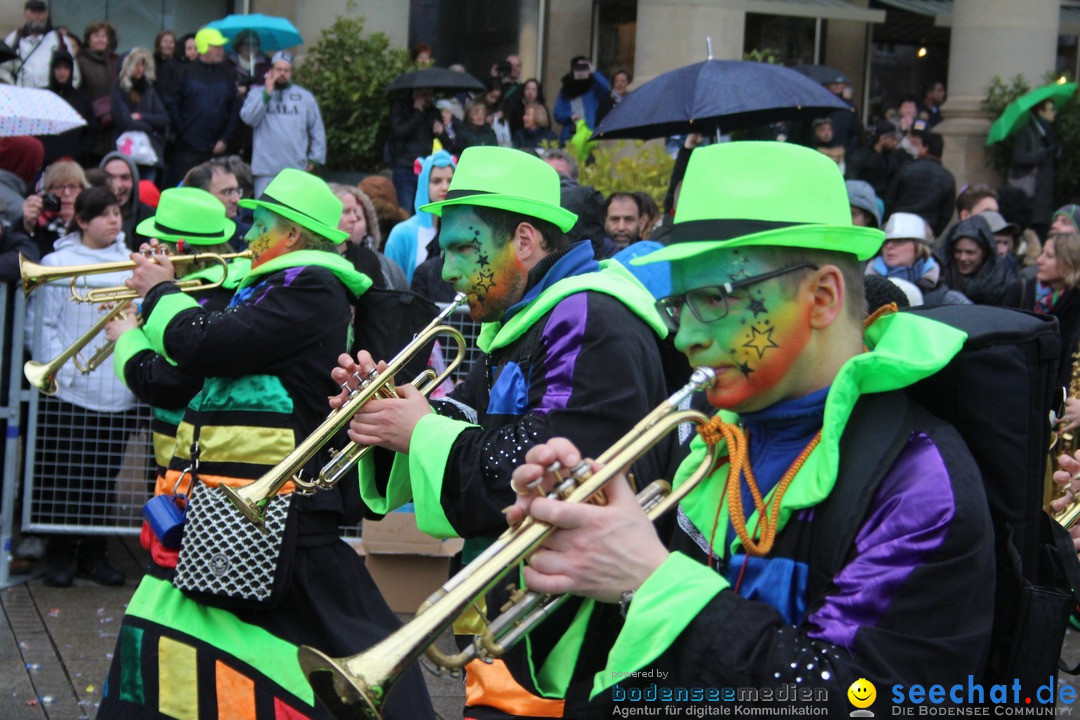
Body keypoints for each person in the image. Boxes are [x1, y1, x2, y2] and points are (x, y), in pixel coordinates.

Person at [506, 141, 994, 715]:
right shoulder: (695, 436)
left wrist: (652, 583)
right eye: (679, 304)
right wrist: (571, 551)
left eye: (715, 297)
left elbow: (861, 699)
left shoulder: (919, 482)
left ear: (823, 297)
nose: (684, 337)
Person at [334, 145, 678, 719]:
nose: (447, 272)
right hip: (518, 624)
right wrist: (391, 415)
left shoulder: (584, 316)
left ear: (523, 242)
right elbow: (475, 425)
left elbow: (541, 474)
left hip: (575, 647)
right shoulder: (528, 318)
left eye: (465, 249)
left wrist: (419, 432)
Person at [95, 168, 436, 719]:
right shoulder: (272, 285)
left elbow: (203, 344)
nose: (250, 236)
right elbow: (182, 375)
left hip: (278, 519)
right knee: (163, 644)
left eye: (261, 224)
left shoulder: (311, 287)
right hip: (222, 516)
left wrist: (159, 292)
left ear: (294, 235)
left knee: (347, 652)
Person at [104, 187, 249, 540]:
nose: (150, 248)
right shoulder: (195, 288)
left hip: (198, 464)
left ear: (181, 249)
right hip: (180, 457)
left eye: (159, 243)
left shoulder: (214, 299)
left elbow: (169, 384)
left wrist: (127, 338)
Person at [24, 186, 137, 588]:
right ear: (83, 221)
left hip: (116, 390)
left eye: (117, 212)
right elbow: (41, 323)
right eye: (103, 214)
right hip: (72, 389)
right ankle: (60, 555)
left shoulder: (132, 263)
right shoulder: (58, 262)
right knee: (66, 474)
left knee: (104, 478)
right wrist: (66, 373)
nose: (114, 220)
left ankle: (94, 554)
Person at [240, 51, 326, 196]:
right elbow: (248, 118)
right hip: (265, 168)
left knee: (292, 213)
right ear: (271, 71)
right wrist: (266, 94)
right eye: (279, 69)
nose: (282, 73)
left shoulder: (305, 97)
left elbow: (316, 128)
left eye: (286, 70)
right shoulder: (256, 93)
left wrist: (315, 157)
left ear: (291, 73)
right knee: (264, 213)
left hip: (295, 168)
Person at [163, 27, 240, 187]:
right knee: (187, 189)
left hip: (219, 149)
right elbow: (172, 104)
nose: (221, 51)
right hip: (188, 150)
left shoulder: (227, 74)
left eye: (221, 46)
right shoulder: (185, 72)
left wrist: (225, 139)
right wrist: (183, 133)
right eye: (216, 46)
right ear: (204, 47)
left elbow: (234, 109)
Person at [382, 150, 455, 283]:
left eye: (450, 180)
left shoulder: (468, 230)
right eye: (436, 181)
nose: (445, 187)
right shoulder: (401, 233)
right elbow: (391, 284)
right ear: (423, 184)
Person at [865, 211, 967, 306]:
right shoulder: (863, 289)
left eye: (899, 241)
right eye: (886, 242)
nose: (889, 246)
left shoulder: (946, 299)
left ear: (918, 247)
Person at [329, 182, 408, 291]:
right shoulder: (310, 257)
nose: (354, 219)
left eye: (356, 213)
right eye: (346, 212)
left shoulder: (368, 259)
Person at [110, 47, 168, 183]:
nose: (139, 69)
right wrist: (149, 128)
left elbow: (163, 119)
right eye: (136, 64)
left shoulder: (149, 89)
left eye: (142, 64)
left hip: (148, 153)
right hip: (125, 151)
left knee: (146, 192)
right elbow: (125, 121)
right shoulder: (118, 89)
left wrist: (142, 117)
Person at [884, 129, 956, 237]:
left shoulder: (906, 169)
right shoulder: (948, 178)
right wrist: (934, 232)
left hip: (899, 224)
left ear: (925, 148)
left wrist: (889, 220)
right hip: (926, 228)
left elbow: (890, 199)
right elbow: (946, 213)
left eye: (917, 144)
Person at [13, 158, 88, 258]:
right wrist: (28, 226)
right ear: (46, 192)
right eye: (58, 187)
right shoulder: (34, 224)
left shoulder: (93, 222)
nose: (66, 193)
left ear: (83, 190)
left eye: (72, 186)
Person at [941, 214, 1021, 307]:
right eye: (958, 251)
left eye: (970, 252)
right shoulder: (943, 277)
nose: (962, 258)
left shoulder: (1005, 282)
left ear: (985, 253)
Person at [1009, 98, 1059, 239]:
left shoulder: (1050, 132)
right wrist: (1043, 152)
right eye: (1050, 110)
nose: (1054, 113)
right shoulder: (1027, 132)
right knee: (1030, 233)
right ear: (1040, 112)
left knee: (1042, 230)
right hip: (1031, 193)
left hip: (1045, 193)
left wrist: (1056, 152)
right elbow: (1019, 158)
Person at [0, 0, 81, 88]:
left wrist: (61, 95)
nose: (37, 16)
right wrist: (13, 86)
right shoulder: (14, 39)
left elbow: (74, 75)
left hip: (50, 95)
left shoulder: (60, 40)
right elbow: (3, 69)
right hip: (22, 95)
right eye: (33, 12)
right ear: (25, 15)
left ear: (46, 15)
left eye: (41, 12)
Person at [39, 47, 97, 167]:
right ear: (52, 70)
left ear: (71, 71)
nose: (62, 72)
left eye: (66, 68)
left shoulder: (81, 99)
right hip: (45, 162)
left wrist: (79, 151)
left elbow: (92, 131)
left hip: (74, 163)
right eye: (58, 68)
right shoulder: (42, 96)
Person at [388, 87, 440, 213]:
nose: (427, 99)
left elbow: (444, 140)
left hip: (424, 167)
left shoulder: (433, 111)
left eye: (430, 95)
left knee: (423, 210)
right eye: (424, 95)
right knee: (404, 210)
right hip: (405, 166)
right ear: (415, 95)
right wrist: (418, 113)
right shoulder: (401, 108)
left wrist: (442, 131)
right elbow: (399, 132)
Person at [76, 20, 119, 162]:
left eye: (103, 36)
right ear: (88, 39)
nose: (100, 39)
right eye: (96, 36)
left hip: (112, 123)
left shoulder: (114, 62)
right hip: (91, 121)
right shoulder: (80, 61)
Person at [99, 152, 154, 251]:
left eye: (124, 177)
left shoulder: (150, 217)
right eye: (110, 178)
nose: (118, 185)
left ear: (134, 181)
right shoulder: (90, 218)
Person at [553, 56, 610, 145]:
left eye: (584, 67)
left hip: (589, 135)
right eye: (578, 67)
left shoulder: (593, 89)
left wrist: (594, 72)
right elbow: (557, 113)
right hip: (570, 135)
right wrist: (570, 116)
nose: (581, 70)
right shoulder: (566, 90)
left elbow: (606, 87)